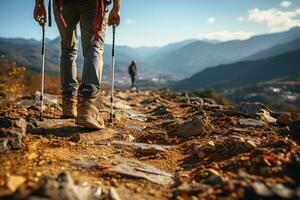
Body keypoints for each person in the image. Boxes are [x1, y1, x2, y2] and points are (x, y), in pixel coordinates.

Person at [34, 0, 121, 129]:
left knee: (67, 49)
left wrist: (39, 4)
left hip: (63, 3)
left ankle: (69, 104)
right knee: (94, 47)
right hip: (94, 3)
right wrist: (116, 7)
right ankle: (88, 105)